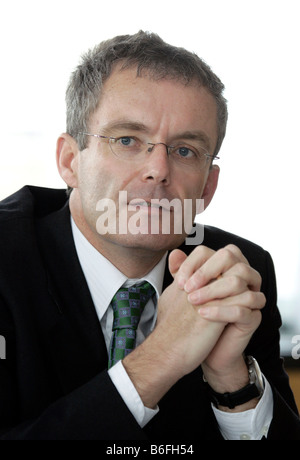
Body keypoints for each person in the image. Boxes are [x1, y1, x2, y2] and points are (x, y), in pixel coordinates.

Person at [0, 31, 299, 441]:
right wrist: (163, 355)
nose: (159, 169)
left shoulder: (238, 271)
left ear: (207, 188)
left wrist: (231, 379)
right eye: (127, 140)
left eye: (184, 150)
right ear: (70, 161)